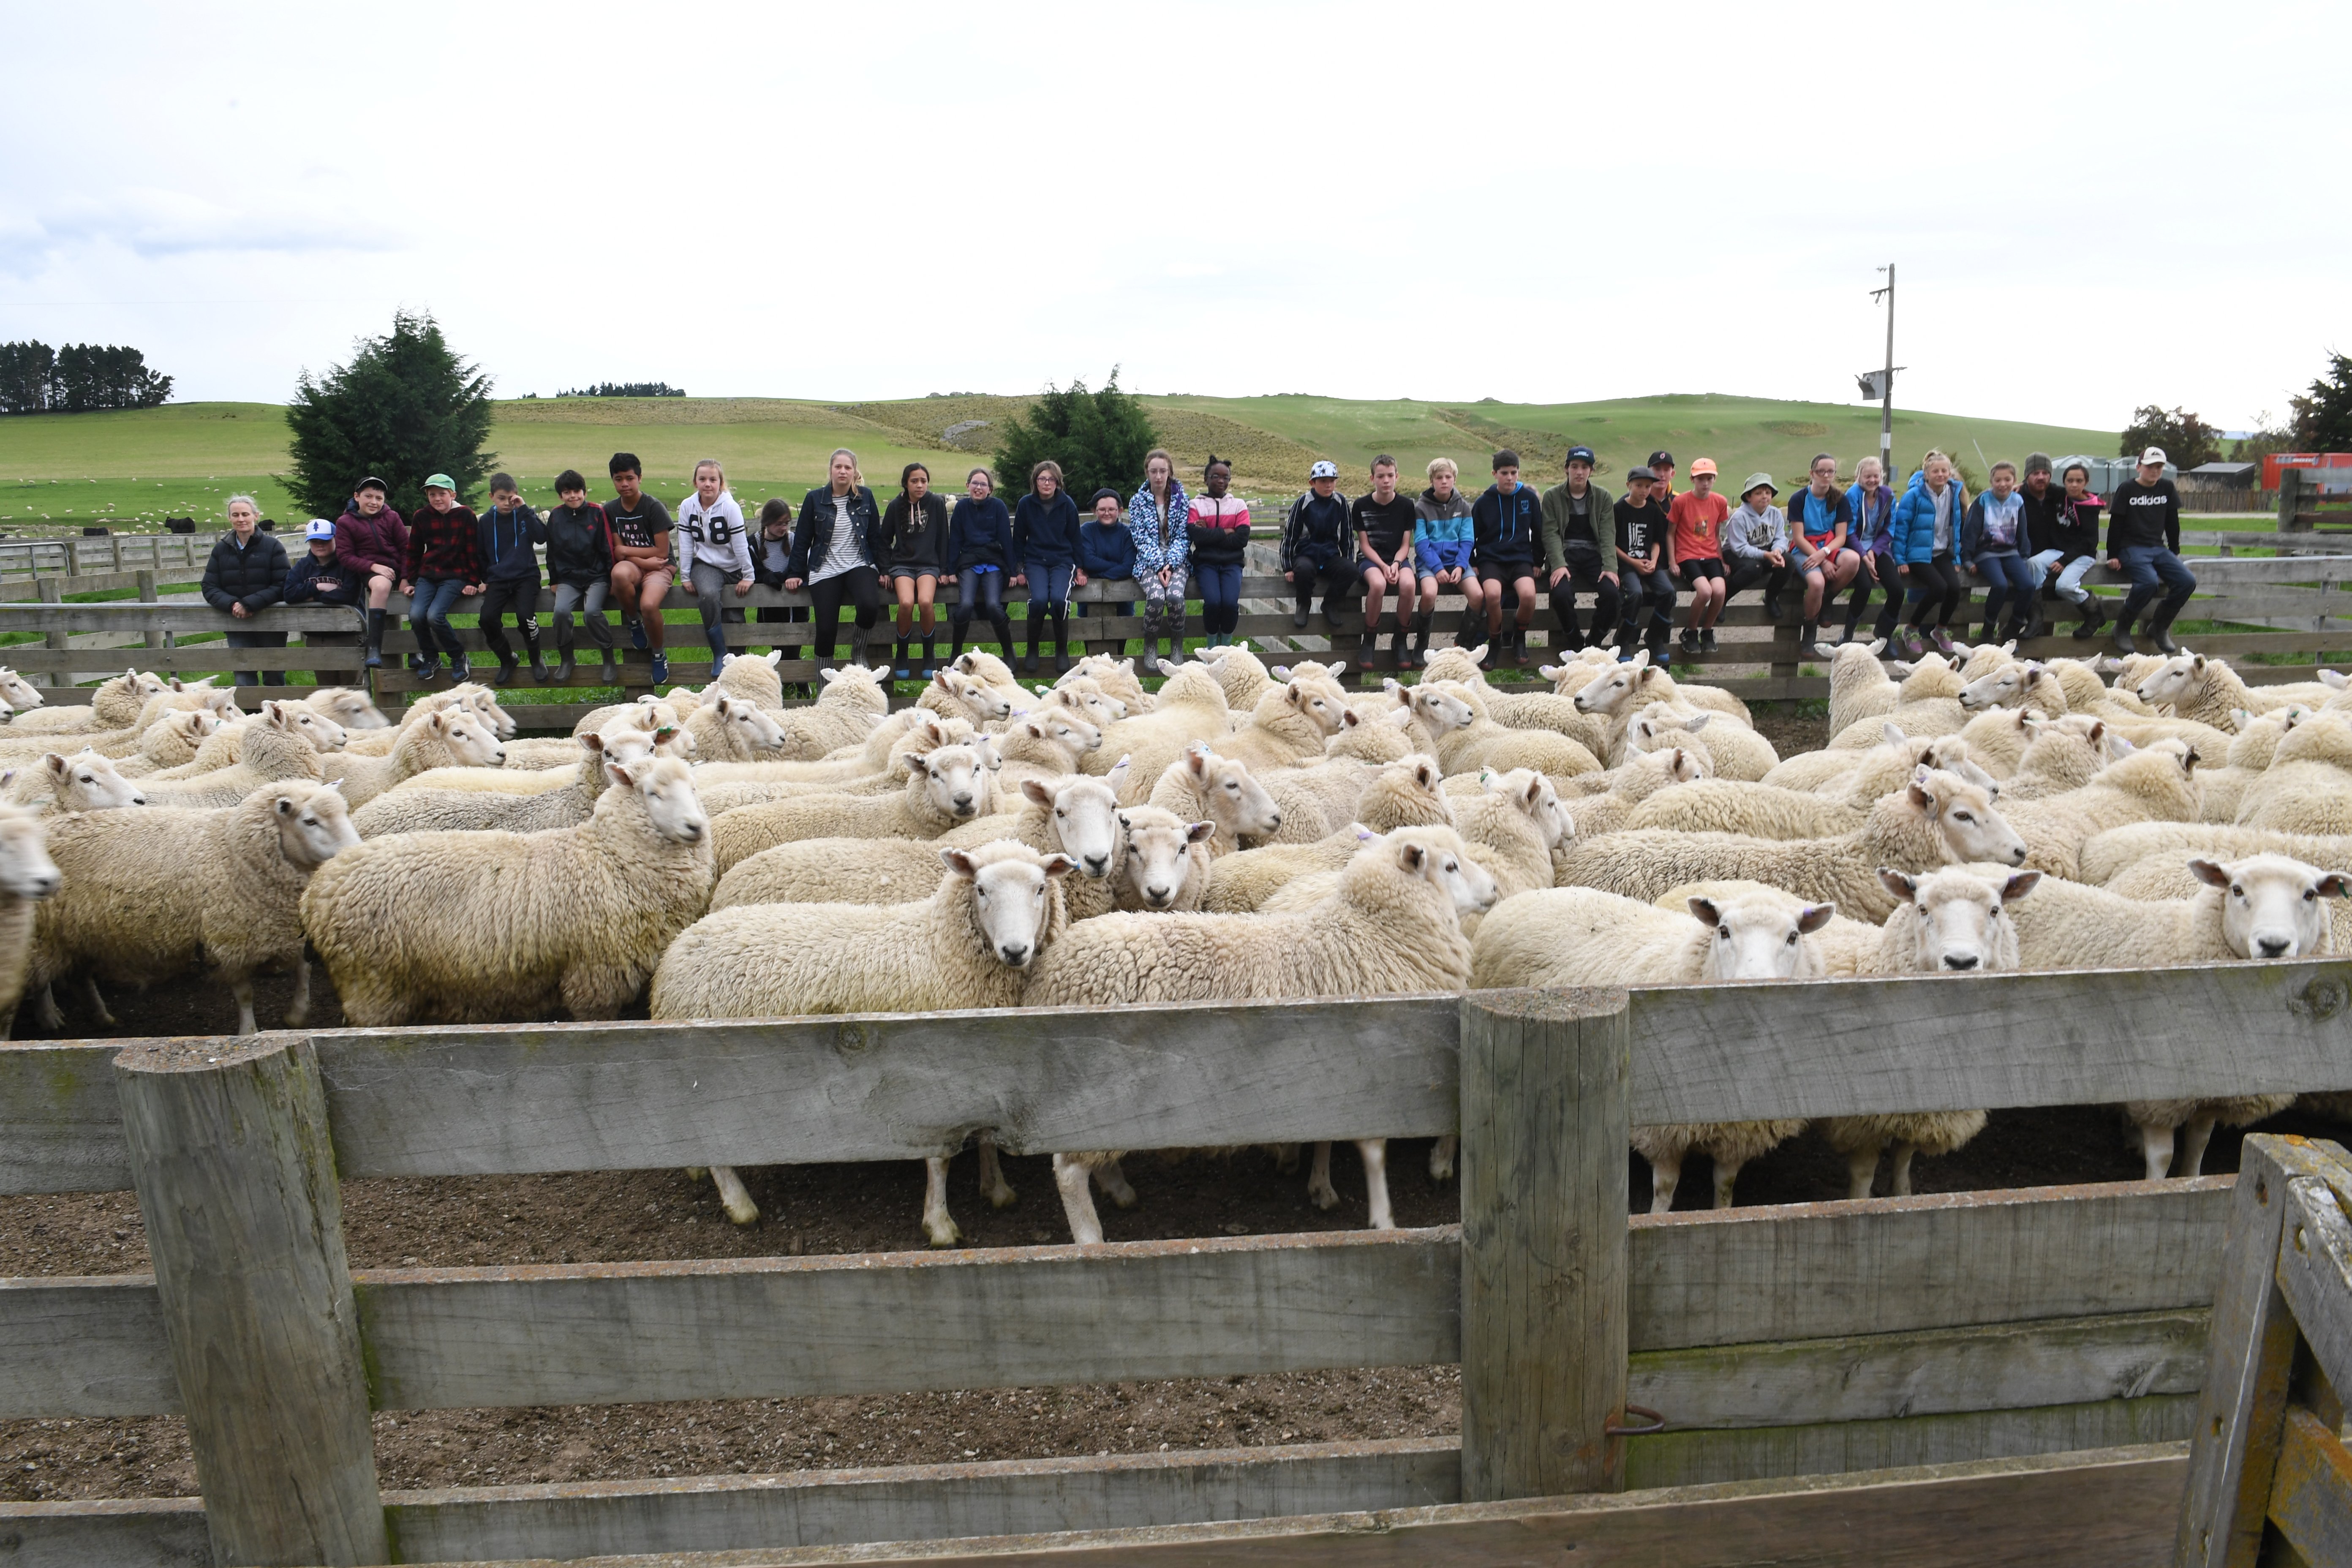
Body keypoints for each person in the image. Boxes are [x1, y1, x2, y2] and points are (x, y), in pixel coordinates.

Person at [786, 448, 884, 670]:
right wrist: (795, 573)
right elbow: (802, 538)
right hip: (825, 568)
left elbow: (874, 537)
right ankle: (824, 684)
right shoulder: (814, 499)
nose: (842, 471)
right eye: (838, 467)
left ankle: (858, 652)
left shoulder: (865, 496)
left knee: (869, 606)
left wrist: (884, 569)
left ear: (854, 472)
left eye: (847, 468)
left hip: (859, 563)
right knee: (827, 628)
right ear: (830, 470)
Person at [2106, 446, 2195, 655]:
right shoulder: (2127, 489)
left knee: (2187, 582)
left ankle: (2159, 627)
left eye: (2159, 467)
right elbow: (2116, 524)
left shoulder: (2166, 488)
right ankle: (2122, 627)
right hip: (2131, 548)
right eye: (2150, 467)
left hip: (2157, 547)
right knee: (2148, 583)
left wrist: (2174, 549)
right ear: (2139, 467)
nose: (2155, 471)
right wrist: (2112, 555)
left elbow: (2173, 521)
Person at [398, 473, 486, 682]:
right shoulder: (422, 516)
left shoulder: (465, 515)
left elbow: (474, 550)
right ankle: (431, 657)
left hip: (455, 575)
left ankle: (458, 656)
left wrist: (473, 581)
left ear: (453, 495)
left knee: (434, 616)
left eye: (442, 494)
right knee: (417, 615)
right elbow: (414, 550)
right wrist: (411, 581)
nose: (437, 499)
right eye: (432, 495)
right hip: (428, 575)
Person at [677, 459, 755, 683]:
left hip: (734, 566)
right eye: (702, 479)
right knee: (709, 595)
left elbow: (741, 544)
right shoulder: (687, 506)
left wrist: (748, 575)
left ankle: (738, 666)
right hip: (706, 563)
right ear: (695, 482)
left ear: (721, 483)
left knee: (734, 616)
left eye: (713, 479)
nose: (708, 484)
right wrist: (685, 575)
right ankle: (719, 652)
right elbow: (685, 542)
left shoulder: (730, 507)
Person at [204, 495, 293, 686]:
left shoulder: (272, 547)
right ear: (229, 518)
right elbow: (209, 586)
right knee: (244, 676)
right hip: (237, 623)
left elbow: (283, 583)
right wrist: (233, 605)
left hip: (271, 621)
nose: (241, 519)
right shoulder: (221, 550)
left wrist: (250, 603)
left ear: (256, 516)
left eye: (245, 514)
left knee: (274, 674)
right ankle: (250, 717)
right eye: (235, 515)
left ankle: (275, 716)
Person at [1538, 446, 1619, 654]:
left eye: (1585, 467)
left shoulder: (1603, 497)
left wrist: (1610, 567)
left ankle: (1594, 641)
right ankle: (1574, 637)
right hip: (1566, 554)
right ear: (1567, 469)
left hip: (1594, 554)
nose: (1579, 472)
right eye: (1574, 467)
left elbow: (1608, 533)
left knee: (1612, 594)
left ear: (1591, 470)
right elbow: (1550, 533)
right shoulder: (1552, 496)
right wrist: (1558, 564)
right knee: (1561, 594)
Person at [2018, 458, 2110, 641]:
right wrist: (2019, 485)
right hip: (2059, 550)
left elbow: (2089, 542)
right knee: (2033, 563)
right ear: (2064, 482)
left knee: (2064, 586)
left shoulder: (2090, 509)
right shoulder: (2060, 494)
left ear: (2086, 483)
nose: (2074, 485)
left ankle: (2095, 613)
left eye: (2079, 481)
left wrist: (2064, 561)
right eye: (2070, 481)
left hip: (2082, 555)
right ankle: (2035, 618)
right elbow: (2037, 481)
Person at [1889, 450, 1968, 659]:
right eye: (1936, 471)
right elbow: (1901, 528)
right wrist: (1900, 559)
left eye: (1944, 470)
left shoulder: (1954, 494)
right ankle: (1912, 628)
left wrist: (1957, 557)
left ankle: (1940, 629)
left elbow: (1955, 528)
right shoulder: (1913, 496)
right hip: (1918, 552)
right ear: (1926, 474)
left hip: (1942, 551)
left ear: (1950, 473)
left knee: (1954, 588)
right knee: (1939, 588)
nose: (1940, 475)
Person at [605, 452, 676, 683]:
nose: (624, 484)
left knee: (648, 604)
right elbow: (618, 551)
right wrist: (642, 561)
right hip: (641, 564)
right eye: (618, 479)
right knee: (619, 574)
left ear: (640, 478)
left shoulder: (654, 507)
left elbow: (662, 553)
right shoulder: (611, 509)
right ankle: (633, 621)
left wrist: (629, 553)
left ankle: (658, 653)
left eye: (629, 478)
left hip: (661, 567)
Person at [543, 470, 617, 684]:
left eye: (577, 491)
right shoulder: (556, 516)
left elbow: (607, 547)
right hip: (568, 578)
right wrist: (554, 579)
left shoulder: (597, 513)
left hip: (597, 576)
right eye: (567, 492)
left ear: (584, 492)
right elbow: (552, 550)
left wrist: (611, 578)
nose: (573, 496)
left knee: (592, 612)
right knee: (560, 613)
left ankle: (609, 658)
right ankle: (567, 658)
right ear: (560, 496)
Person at [475, 472, 548, 686]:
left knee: (525, 616)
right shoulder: (486, 522)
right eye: (501, 498)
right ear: (492, 497)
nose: (507, 503)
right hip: (498, 579)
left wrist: (525, 510)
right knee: (487, 619)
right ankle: (507, 659)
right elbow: (480, 553)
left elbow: (542, 537)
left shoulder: (524, 515)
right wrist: (483, 578)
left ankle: (536, 659)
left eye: (511, 498)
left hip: (526, 577)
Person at [1010, 460, 1082, 674]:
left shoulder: (1067, 504)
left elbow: (1076, 538)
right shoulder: (1026, 504)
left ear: (1058, 482)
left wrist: (1080, 568)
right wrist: (1019, 568)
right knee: (1040, 600)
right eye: (1042, 479)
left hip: (1062, 561)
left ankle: (1062, 650)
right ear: (1035, 481)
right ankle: (1033, 649)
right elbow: (1019, 539)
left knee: (1059, 600)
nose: (1047, 483)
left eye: (1051, 479)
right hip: (1035, 561)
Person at [1472, 450, 1544, 664]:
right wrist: (1473, 563)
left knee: (1529, 596)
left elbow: (1538, 532)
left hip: (1520, 560)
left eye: (1514, 473)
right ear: (1495, 474)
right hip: (1491, 561)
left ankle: (1519, 638)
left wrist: (1538, 562)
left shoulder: (1529, 499)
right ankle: (1494, 642)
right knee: (1493, 596)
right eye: (1505, 473)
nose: (1510, 478)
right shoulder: (1484, 502)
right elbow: (1470, 537)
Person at [882, 463, 951, 679]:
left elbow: (943, 537)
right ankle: (902, 652)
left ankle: (928, 653)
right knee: (905, 603)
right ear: (906, 483)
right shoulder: (895, 506)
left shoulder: (937, 503)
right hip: (902, 564)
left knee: (925, 602)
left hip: (928, 564)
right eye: (915, 481)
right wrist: (884, 570)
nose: (920, 485)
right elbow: (884, 540)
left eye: (923, 481)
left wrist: (944, 569)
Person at [1350, 455, 1418, 670]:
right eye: (1381, 476)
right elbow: (1364, 545)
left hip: (1398, 559)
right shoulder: (1361, 505)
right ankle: (1369, 640)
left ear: (1397, 476)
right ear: (1372, 479)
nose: (1386, 481)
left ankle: (1400, 640)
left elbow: (1406, 544)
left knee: (1409, 585)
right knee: (1378, 585)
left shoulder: (1407, 505)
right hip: (1371, 560)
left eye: (1390, 476)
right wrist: (1383, 566)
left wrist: (1397, 564)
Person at [1787, 453, 1862, 647]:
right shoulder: (1799, 499)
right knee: (1817, 582)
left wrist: (1825, 554)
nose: (1826, 475)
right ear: (1812, 473)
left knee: (1853, 560)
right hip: (1804, 548)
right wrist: (1821, 559)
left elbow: (1841, 537)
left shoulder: (1840, 499)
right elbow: (1798, 537)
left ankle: (1828, 599)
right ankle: (1810, 627)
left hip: (1828, 546)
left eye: (1831, 471)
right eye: (1822, 471)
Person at [335, 476, 408, 669]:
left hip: (399, 568)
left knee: (418, 590)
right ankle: (374, 647)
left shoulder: (392, 517)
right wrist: (373, 567)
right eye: (369, 496)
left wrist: (407, 577)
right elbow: (344, 555)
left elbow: (406, 548)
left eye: (379, 498)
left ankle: (416, 651)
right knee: (381, 585)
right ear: (357, 497)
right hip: (370, 570)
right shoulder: (346, 522)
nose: (374, 502)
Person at [1412, 457, 1479, 664]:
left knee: (1478, 596)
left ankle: (1462, 644)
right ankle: (1422, 645)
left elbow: (1468, 540)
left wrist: (1460, 566)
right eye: (1439, 477)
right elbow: (1422, 543)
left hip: (1457, 562)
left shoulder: (1464, 507)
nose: (1444, 481)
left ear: (1454, 479)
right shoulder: (1421, 508)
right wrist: (1438, 568)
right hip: (1430, 565)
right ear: (1431, 480)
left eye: (1448, 477)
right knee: (1430, 593)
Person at [944, 467, 1015, 663]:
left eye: (983, 484)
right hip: (969, 563)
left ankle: (1009, 651)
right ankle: (956, 652)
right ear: (968, 486)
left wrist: (1013, 572)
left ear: (990, 489)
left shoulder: (998, 507)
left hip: (993, 563)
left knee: (994, 605)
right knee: (965, 605)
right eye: (975, 483)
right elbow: (955, 540)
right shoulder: (961, 508)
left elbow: (1006, 540)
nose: (978, 488)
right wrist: (951, 570)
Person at [1963, 461, 2039, 644]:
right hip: (1986, 551)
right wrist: (1967, 559)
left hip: (2010, 551)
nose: (2003, 484)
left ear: (2014, 481)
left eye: (2007, 480)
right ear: (1991, 481)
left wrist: (2024, 555)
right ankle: (1988, 628)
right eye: (1998, 480)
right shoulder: (1983, 500)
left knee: (2028, 585)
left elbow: (2022, 530)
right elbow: (1970, 531)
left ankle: (2014, 626)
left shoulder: (2018, 501)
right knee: (2000, 585)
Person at [1126, 449, 1190, 663]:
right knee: (1156, 597)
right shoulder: (1137, 502)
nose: (1159, 476)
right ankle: (1150, 643)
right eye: (1154, 471)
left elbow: (1183, 537)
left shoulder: (1182, 500)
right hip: (1147, 562)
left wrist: (1170, 566)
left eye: (1163, 471)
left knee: (1174, 597)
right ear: (1147, 473)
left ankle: (1177, 644)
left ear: (1170, 471)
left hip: (1177, 561)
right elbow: (1140, 538)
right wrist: (1159, 564)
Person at [281, 518, 360, 684]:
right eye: (314, 541)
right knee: (326, 689)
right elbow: (289, 594)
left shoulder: (348, 564)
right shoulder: (303, 566)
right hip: (317, 635)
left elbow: (350, 596)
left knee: (350, 689)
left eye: (325, 540)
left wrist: (311, 597)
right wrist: (319, 588)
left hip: (348, 633)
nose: (320, 545)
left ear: (335, 539)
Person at [1187, 457, 1250, 659]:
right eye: (1216, 476)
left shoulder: (1239, 505)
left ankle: (1227, 651)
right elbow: (1196, 536)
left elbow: (1242, 539)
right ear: (1206, 479)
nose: (1221, 481)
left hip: (1232, 564)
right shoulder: (1195, 504)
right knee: (1213, 603)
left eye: (1226, 477)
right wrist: (1226, 531)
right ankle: (1212, 649)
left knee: (1231, 604)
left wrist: (1211, 534)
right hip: (1206, 564)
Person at [1280, 460, 1353, 633]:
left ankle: (1330, 604)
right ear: (1312, 483)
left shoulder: (1341, 502)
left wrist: (1348, 559)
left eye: (1332, 481)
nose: (1328, 485)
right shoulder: (1303, 502)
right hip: (1307, 553)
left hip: (1330, 555)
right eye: (1323, 481)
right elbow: (1290, 534)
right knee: (1304, 571)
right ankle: (1304, 604)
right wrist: (1288, 567)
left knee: (1351, 571)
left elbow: (1347, 534)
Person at [1667, 458, 1731, 653]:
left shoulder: (1720, 501)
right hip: (1688, 555)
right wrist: (1672, 561)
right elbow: (1670, 533)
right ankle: (1691, 631)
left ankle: (1707, 631)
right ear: (1692, 479)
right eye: (1701, 479)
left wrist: (1721, 558)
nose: (1705, 483)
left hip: (1710, 554)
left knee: (1720, 591)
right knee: (1705, 592)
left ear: (1714, 480)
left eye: (1709, 479)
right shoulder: (1681, 501)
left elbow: (1716, 532)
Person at [1840, 456, 1905, 645]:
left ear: (1882, 477)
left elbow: (1889, 529)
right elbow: (1848, 532)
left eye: (1876, 476)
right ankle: (1848, 634)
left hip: (1878, 549)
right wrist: (1864, 556)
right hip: (1854, 548)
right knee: (1864, 587)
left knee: (1897, 590)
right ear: (1858, 477)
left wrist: (1874, 552)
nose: (1872, 480)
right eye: (1867, 476)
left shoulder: (1888, 496)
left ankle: (1884, 635)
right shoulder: (1852, 496)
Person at [1614, 466, 1675, 662]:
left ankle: (1655, 636)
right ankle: (1622, 639)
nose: (1644, 490)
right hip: (1626, 564)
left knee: (1668, 592)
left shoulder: (1653, 511)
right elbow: (1611, 544)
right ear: (1628, 485)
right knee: (1635, 593)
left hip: (1649, 563)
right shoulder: (1618, 510)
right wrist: (1633, 562)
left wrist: (1655, 561)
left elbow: (1657, 542)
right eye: (1639, 485)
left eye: (1648, 486)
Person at [1723, 475, 1792, 638]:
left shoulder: (1775, 514)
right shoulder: (1739, 517)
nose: (1765, 496)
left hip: (1765, 550)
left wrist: (1777, 551)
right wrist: (1766, 555)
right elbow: (1739, 548)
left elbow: (1781, 537)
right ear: (1749, 497)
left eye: (1768, 492)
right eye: (1759, 493)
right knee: (1754, 569)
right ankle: (1723, 599)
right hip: (1735, 552)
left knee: (1788, 562)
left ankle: (1771, 597)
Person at [749, 497, 807, 688]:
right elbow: (754, 569)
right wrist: (767, 577)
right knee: (777, 647)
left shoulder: (794, 540)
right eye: (778, 524)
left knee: (793, 645)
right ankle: (785, 685)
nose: (783, 528)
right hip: (769, 604)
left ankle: (799, 684)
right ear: (767, 523)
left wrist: (786, 576)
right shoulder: (754, 543)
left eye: (786, 523)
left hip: (794, 604)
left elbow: (800, 563)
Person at [1077, 486, 1137, 659]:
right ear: (1094, 511)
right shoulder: (1087, 530)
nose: (1107, 513)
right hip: (1089, 599)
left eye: (1111, 509)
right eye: (1102, 509)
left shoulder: (1128, 533)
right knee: (1092, 651)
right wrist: (1115, 569)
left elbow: (1129, 566)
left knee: (1119, 651)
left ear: (1119, 511)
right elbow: (1088, 560)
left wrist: (1098, 573)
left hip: (1123, 599)